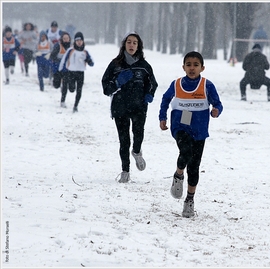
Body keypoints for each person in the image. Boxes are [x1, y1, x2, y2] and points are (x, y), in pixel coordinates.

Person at [159, 51, 223, 218]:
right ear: (183, 67)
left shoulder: (207, 86)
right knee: (185, 150)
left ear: (202, 67)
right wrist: (162, 117)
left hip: (200, 130)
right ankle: (178, 174)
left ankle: (189, 200)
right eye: (189, 65)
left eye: (196, 65)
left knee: (194, 167)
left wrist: (216, 111)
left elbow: (218, 104)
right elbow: (165, 100)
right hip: (181, 125)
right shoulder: (177, 84)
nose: (192, 68)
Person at [101, 31, 158, 183]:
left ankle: (137, 152)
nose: (131, 45)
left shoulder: (144, 66)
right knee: (124, 140)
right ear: (124, 45)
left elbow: (152, 83)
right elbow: (106, 88)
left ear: (138, 46)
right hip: (120, 107)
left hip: (139, 107)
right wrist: (117, 82)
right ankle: (125, 170)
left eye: (134, 42)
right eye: (129, 42)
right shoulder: (115, 65)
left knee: (138, 135)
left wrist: (149, 93)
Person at [58, 32, 94, 112]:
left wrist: (88, 60)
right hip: (71, 72)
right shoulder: (71, 50)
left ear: (83, 41)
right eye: (77, 40)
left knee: (79, 90)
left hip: (81, 72)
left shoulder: (85, 51)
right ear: (75, 41)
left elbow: (92, 63)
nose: (79, 42)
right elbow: (64, 59)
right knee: (71, 89)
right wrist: (60, 70)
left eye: (80, 40)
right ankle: (65, 96)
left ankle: (75, 105)